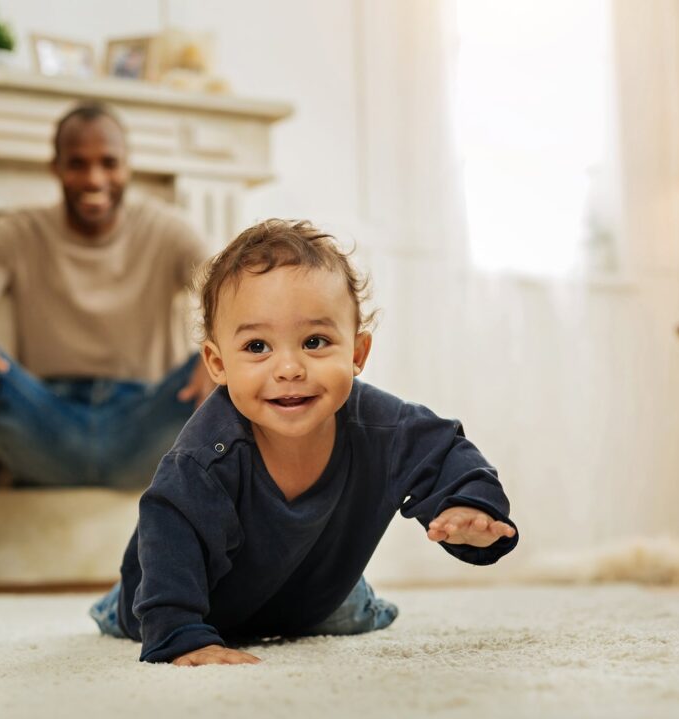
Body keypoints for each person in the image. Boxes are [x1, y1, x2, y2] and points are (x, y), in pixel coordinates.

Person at [89, 219, 520, 665]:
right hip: (197, 594)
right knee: (141, 605)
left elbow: (444, 451)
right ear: (218, 364)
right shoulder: (204, 457)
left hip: (311, 595)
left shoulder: (384, 428)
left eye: (314, 342)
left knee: (346, 612)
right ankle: (118, 603)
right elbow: (169, 530)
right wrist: (179, 634)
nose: (289, 368)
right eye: (257, 347)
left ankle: (349, 599)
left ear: (356, 354)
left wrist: (468, 505)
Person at [0, 102, 214, 600]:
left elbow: (226, 289)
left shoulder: (166, 228)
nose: (94, 177)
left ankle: (235, 559)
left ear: (128, 166)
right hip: (47, 426)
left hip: (142, 427)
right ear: (55, 168)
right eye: (77, 163)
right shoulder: (16, 230)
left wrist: (220, 348)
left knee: (238, 362)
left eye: (108, 162)